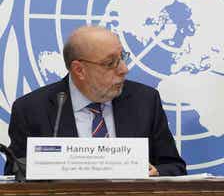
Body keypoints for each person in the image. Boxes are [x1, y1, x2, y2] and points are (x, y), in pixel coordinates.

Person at [5, 26, 186, 176]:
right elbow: (15, 177)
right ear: (79, 70)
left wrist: (156, 173)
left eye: (122, 58)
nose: (124, 69)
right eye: (110, 63)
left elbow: (174, 168)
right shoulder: (31, 110)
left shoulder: (144, 101)